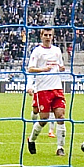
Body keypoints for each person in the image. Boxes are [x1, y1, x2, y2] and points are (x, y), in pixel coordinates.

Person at [25, 27, 67, 155]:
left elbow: (60, 65)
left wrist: (61, 68)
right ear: (41, 36)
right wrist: (43, 69)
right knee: (44, 119)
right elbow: (30, 69)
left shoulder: (57, 50)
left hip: (57, 88)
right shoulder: (37, 51)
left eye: (50, 35)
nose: (48, 37)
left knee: (61, 116)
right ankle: (31, 139)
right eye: (46, 35)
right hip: (42, 89)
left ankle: (60, 148)